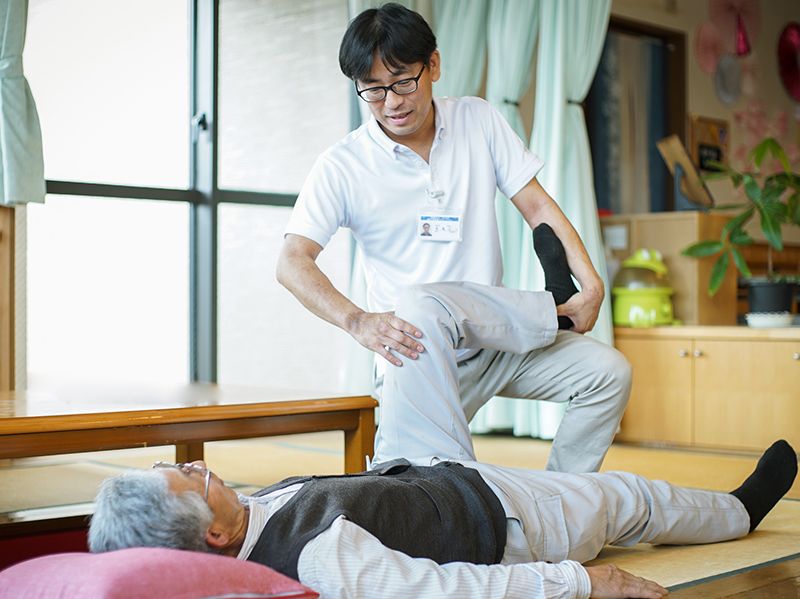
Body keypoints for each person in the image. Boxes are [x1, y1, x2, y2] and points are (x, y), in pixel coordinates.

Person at [276, 3, 630, 473]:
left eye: (404, 81)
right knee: (410, 496)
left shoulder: (478, 121)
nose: (393, 102)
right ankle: (547, 315)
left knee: (608, 373)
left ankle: (565, 496)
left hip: (498, 343)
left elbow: (538, 205)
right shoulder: (344, 165)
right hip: (417, 358)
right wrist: (358, 322)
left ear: (434, 66)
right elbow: (292, 260)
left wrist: (592, 285)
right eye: (374, 90)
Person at [88, 440, 798, 599]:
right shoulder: (313, 557)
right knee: (626, 499)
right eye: (189, 479)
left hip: (455, 480)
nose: (200, 466)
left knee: (620, 495)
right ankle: (739, 511)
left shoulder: (252, 520)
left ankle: (728, 509)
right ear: (212, 535)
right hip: (510, 520)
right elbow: (445, 589)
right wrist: (583, 581)